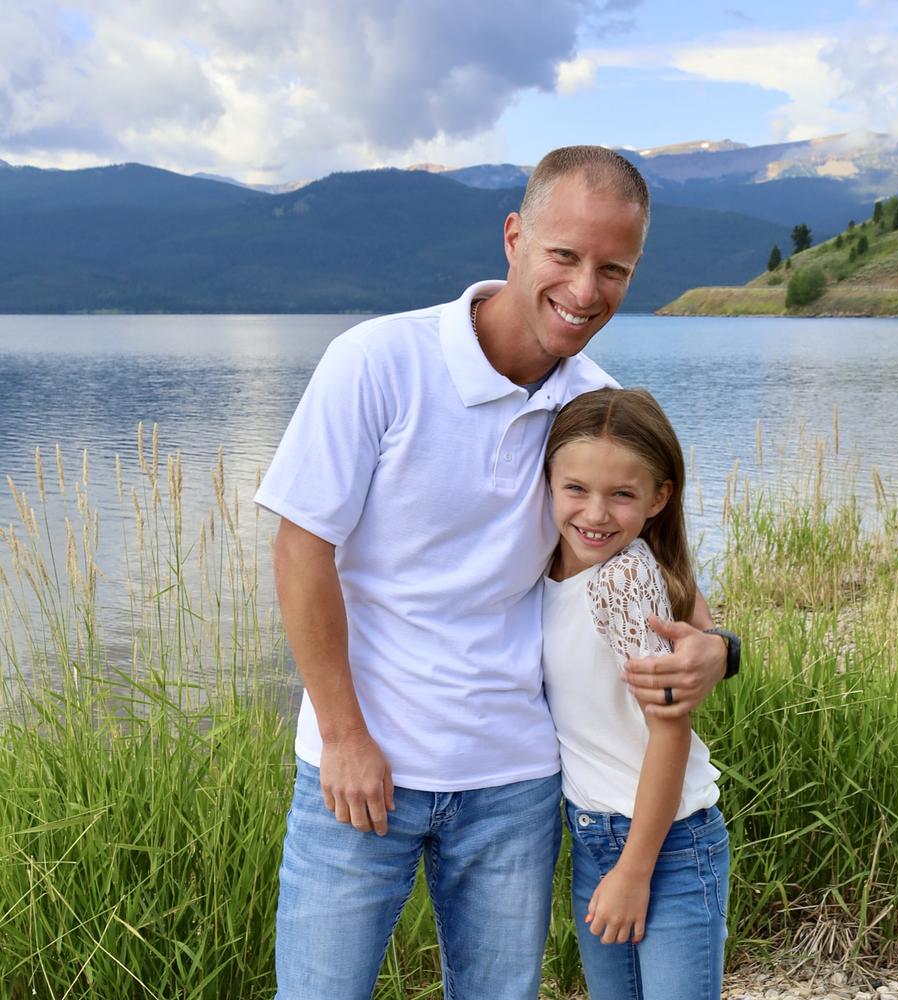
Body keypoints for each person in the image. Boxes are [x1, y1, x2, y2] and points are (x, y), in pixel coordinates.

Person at [254, 146, 736, 1000]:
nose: (585, 289)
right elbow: (301, 549)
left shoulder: (594, 407)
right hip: (362, 768)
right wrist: (344, 736)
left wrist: (721, 649)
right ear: (514, 237)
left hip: (513, 781)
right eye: (565, 255)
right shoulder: (377, 361)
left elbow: (662, 579)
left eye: (614, 269)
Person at [542, 387, 730, 1000]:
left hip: (663, 842)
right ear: (548, 483)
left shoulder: (622, 579)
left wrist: (633, 870)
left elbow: (670, 729)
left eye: (621, 495)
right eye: (576, 489)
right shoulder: (547, 564)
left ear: (659, 497)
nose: (595, 514)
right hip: (595, 832)